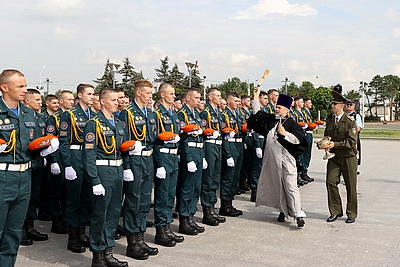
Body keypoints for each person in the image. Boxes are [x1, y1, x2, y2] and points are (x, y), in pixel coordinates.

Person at [0, 69, 50, 266]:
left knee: (13, 233)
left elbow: (33, 144)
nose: (24, 90)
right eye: (20, 86)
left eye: (25, 85)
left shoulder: (29, 113)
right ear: (4, 87)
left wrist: (43, 151)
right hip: (2, 176)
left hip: (24, 176)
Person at [83, 88, 128, 267]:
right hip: (103, 172)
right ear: (102, 101)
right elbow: (88, 155)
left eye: (118, 100)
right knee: (100, 214)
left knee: (113, 213)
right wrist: (94, 180)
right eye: (113, 100)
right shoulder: (93, 124)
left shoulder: (118, 123)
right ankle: (98, 256)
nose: (117, 103)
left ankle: (108, 250)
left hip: (117, 171)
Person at [248, 93, 306, 228]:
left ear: (287, 109)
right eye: (276, 106)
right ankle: (282, 210)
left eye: (279, 107)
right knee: (277, 185)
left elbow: (299, 140)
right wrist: (256, 97)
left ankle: (298, 214)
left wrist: (285, 134)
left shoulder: (292, 123)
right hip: (271, 158)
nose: (277, 109)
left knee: (291, 186)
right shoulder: (271, 119)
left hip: (286, 158)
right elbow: (257, 114)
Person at [119, 80, 158, 260]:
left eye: (152, 93)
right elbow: (124, 142)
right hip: (134, 160)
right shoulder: (127, 113)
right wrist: (126, 166)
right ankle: (132, 242)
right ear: (138, 93)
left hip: (148, 158)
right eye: (148, 93)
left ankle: (140, 238)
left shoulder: (150, 113)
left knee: (144, 201)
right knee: (133, 201)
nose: (151, 96)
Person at [59, 84, 96, 253]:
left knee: (87, 198)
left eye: (93, 93)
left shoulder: (94, 115)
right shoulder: (70, 115)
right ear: (79, 95)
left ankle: (82, 231)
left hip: (89, 158)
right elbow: (64, 142)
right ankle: (72, 236)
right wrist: (67, 165)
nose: (92, 96)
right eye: (89, 94)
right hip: (75, 157)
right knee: (74, 198)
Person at [153, 83, 184, 246]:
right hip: (163, 157)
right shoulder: (157, 114)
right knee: (162, 195)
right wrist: (158, 164)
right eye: (171, 94)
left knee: (170, 195)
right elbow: (155, 140)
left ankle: (167, 228)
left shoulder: (173, 114)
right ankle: (160, 231)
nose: (174, 96)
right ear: (163, 95)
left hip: (173, 157)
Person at [322, 90, 358, 224]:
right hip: (334, 157)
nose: (333, 106)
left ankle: (351, 212)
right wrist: (324, 143)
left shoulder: (350, 122)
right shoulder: (330, 120)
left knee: (351, 185)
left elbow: (351, 142)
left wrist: (334, 144)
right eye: (332, 104)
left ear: (342, 105)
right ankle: (335, 211)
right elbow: (327, 135)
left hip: (348, 157)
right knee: (330, 182)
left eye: (335, 104)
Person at [21, 89, 49, 246]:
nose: (40, 102)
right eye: (37, 100)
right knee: (24, 197)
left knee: (35, 196)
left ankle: (30, 226)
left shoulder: (40, 117)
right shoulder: (22, 116)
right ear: (27, 101)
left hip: (38, 161)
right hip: (26, 162)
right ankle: (21, 230)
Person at [176, 88, 206, 235]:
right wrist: (187, 158)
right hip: (190, 152)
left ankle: (191, 217)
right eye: (196, 97)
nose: (199, 100)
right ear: (187, 98)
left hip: (199, 151)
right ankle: (184, 220)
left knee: (196, 187)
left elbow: (200, 137)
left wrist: (203, 156)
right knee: (187, 187)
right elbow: (183, 139)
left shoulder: (197, 114)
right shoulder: (182, 114)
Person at [45, 90, 75, 235]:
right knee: (57, 190)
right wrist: (53, 161)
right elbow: (50, 140)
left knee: (68, 191)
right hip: (58, 157)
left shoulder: (72, 116)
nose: (71, 101)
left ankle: (65, 217)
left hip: (69, 156)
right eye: (68, 99)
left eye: (72, 99)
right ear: (61, 101)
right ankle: (56, 220)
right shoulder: (54, 118)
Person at [199, 88, 226, 226]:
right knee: (208, 179)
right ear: (210, 97)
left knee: (215, 178)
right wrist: (209, 133)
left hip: (218, 145)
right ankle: (207, 211)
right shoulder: (206, 112)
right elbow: (201, 130)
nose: (220, 98)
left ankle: (212, 208)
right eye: (218, 95)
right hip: (209, 145)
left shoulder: (219, 113)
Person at [219, 92, 244, 217]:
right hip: (230, 145)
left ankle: (230, 202)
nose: (238, 103)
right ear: (228, 101)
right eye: (235, 101)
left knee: (235, 177)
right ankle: (225, 205)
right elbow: (224, 136)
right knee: (228, 177)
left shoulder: (238, 114)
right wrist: (228, 153)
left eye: (239, 101)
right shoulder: (224, 115)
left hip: (239, 145)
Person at [291, 97, 310, 187]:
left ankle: (302, 173)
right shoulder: (294, 112)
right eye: (301, 102)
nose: (303, 103)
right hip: (295, 136)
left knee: (305, 155)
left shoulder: (301, 113)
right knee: (298, 156)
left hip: (303, 133)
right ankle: (298, 175)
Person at [345, 100, 363, 173]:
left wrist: (351, 132)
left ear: (354, 106)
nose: (349, 106)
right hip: (344, 138)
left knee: (355, 153)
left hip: (354, 138)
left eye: (351, 105)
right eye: (347, 104)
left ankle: (355, 168)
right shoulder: (343, 115)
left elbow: (358, 127)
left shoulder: (356, 116)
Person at [301, 98, 315, 181]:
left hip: (309, 133)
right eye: (309, 103)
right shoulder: (303, 112)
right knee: (305, 153)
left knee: (308, 153)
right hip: (306, 133)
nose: (311, 104)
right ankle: (303, 172)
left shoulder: (308, 112)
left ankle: (305, 171)